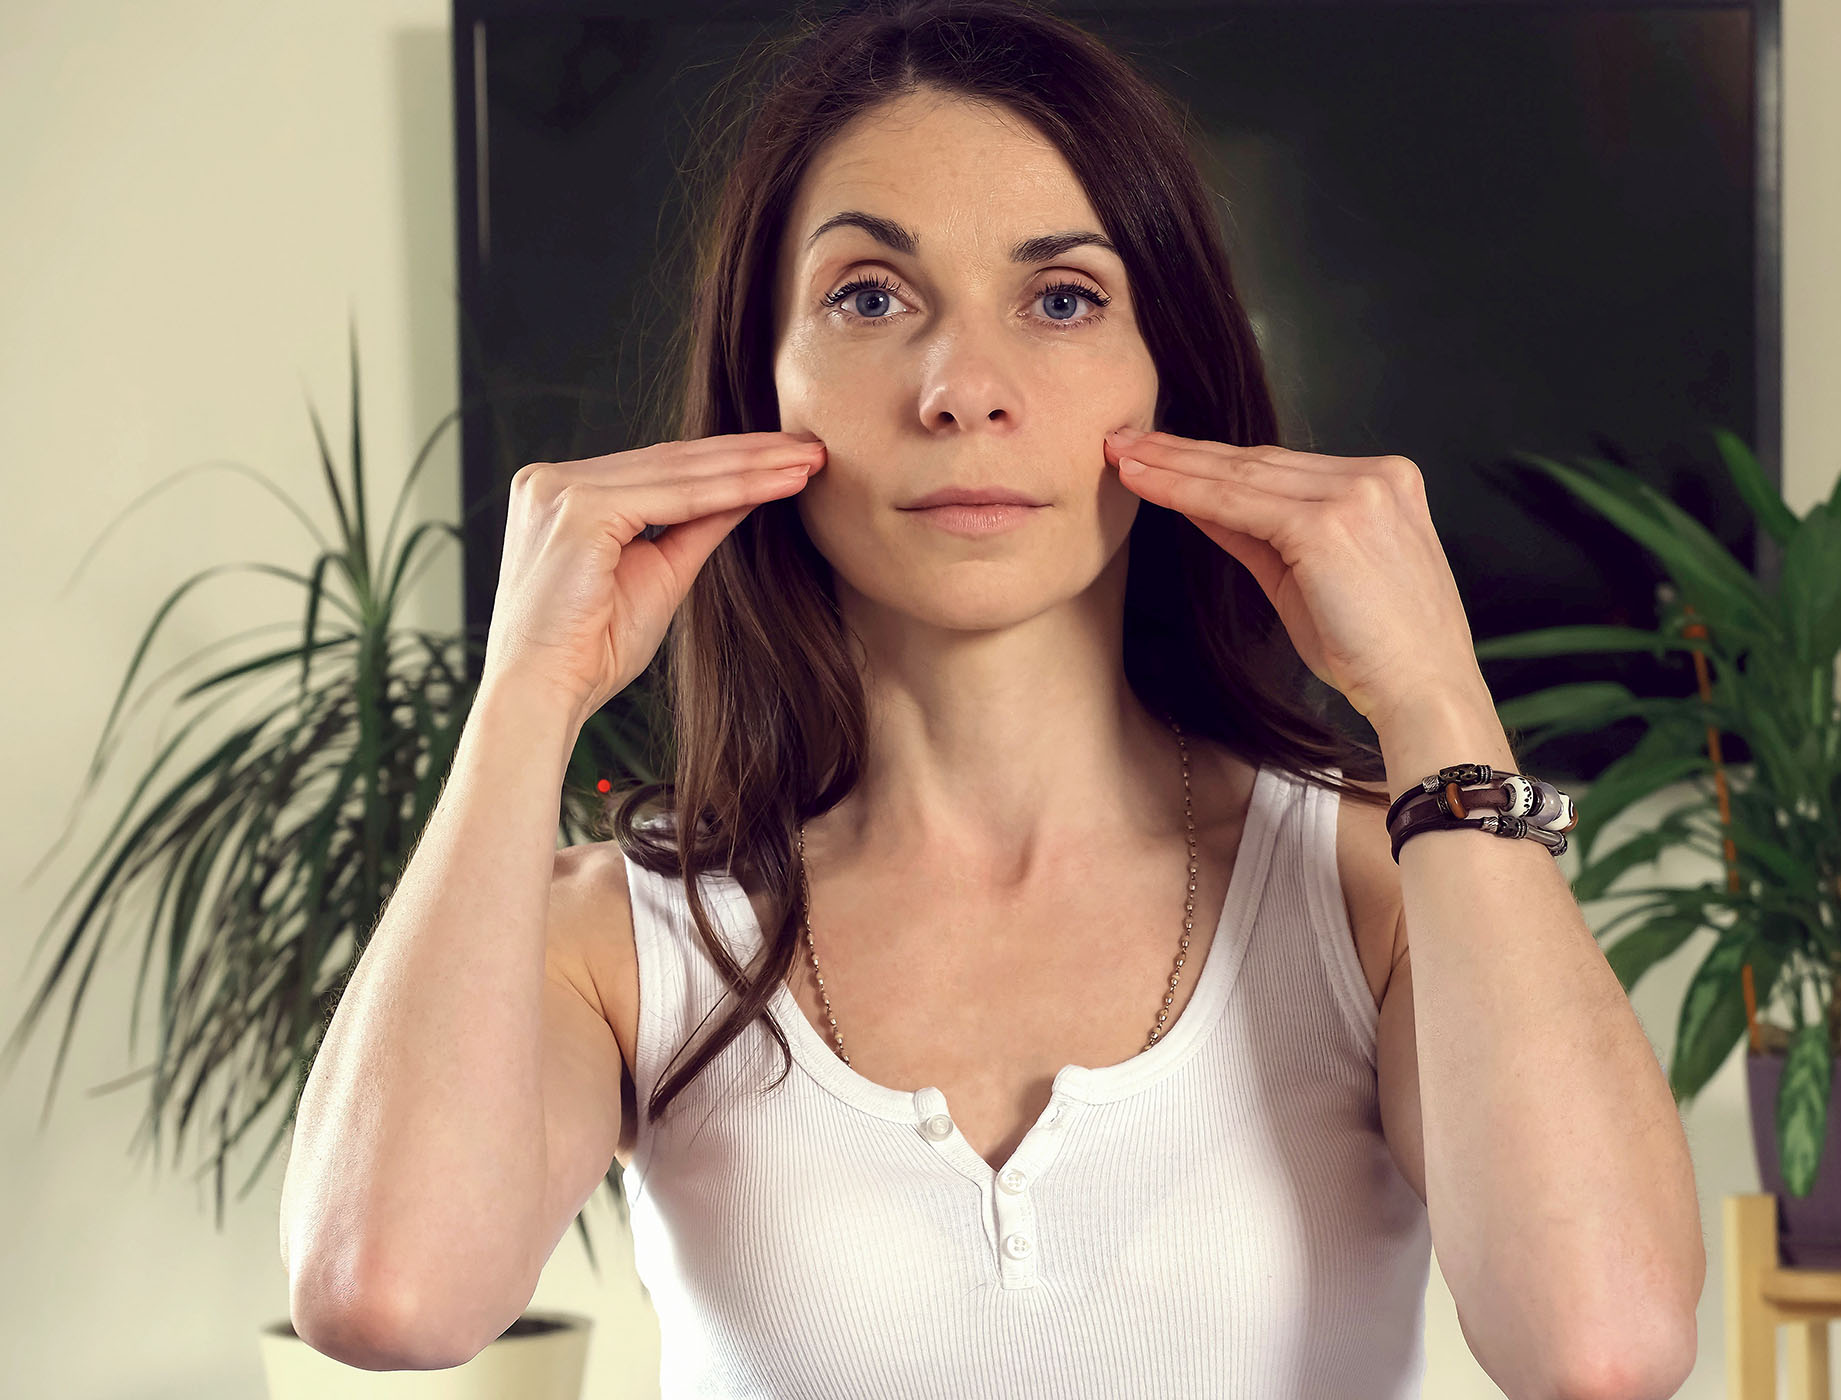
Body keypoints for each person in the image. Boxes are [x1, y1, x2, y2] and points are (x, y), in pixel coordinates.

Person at [281, 2, 1704, 1396]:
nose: (963, 389)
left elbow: (1605, 1346)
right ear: (764, 387)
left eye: (1064, 298)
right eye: (869, 297)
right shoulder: (623, 936)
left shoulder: (1373, 891)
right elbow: (384, 1296)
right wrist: (528, 692)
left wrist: (1435, 696)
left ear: (1171, 377)